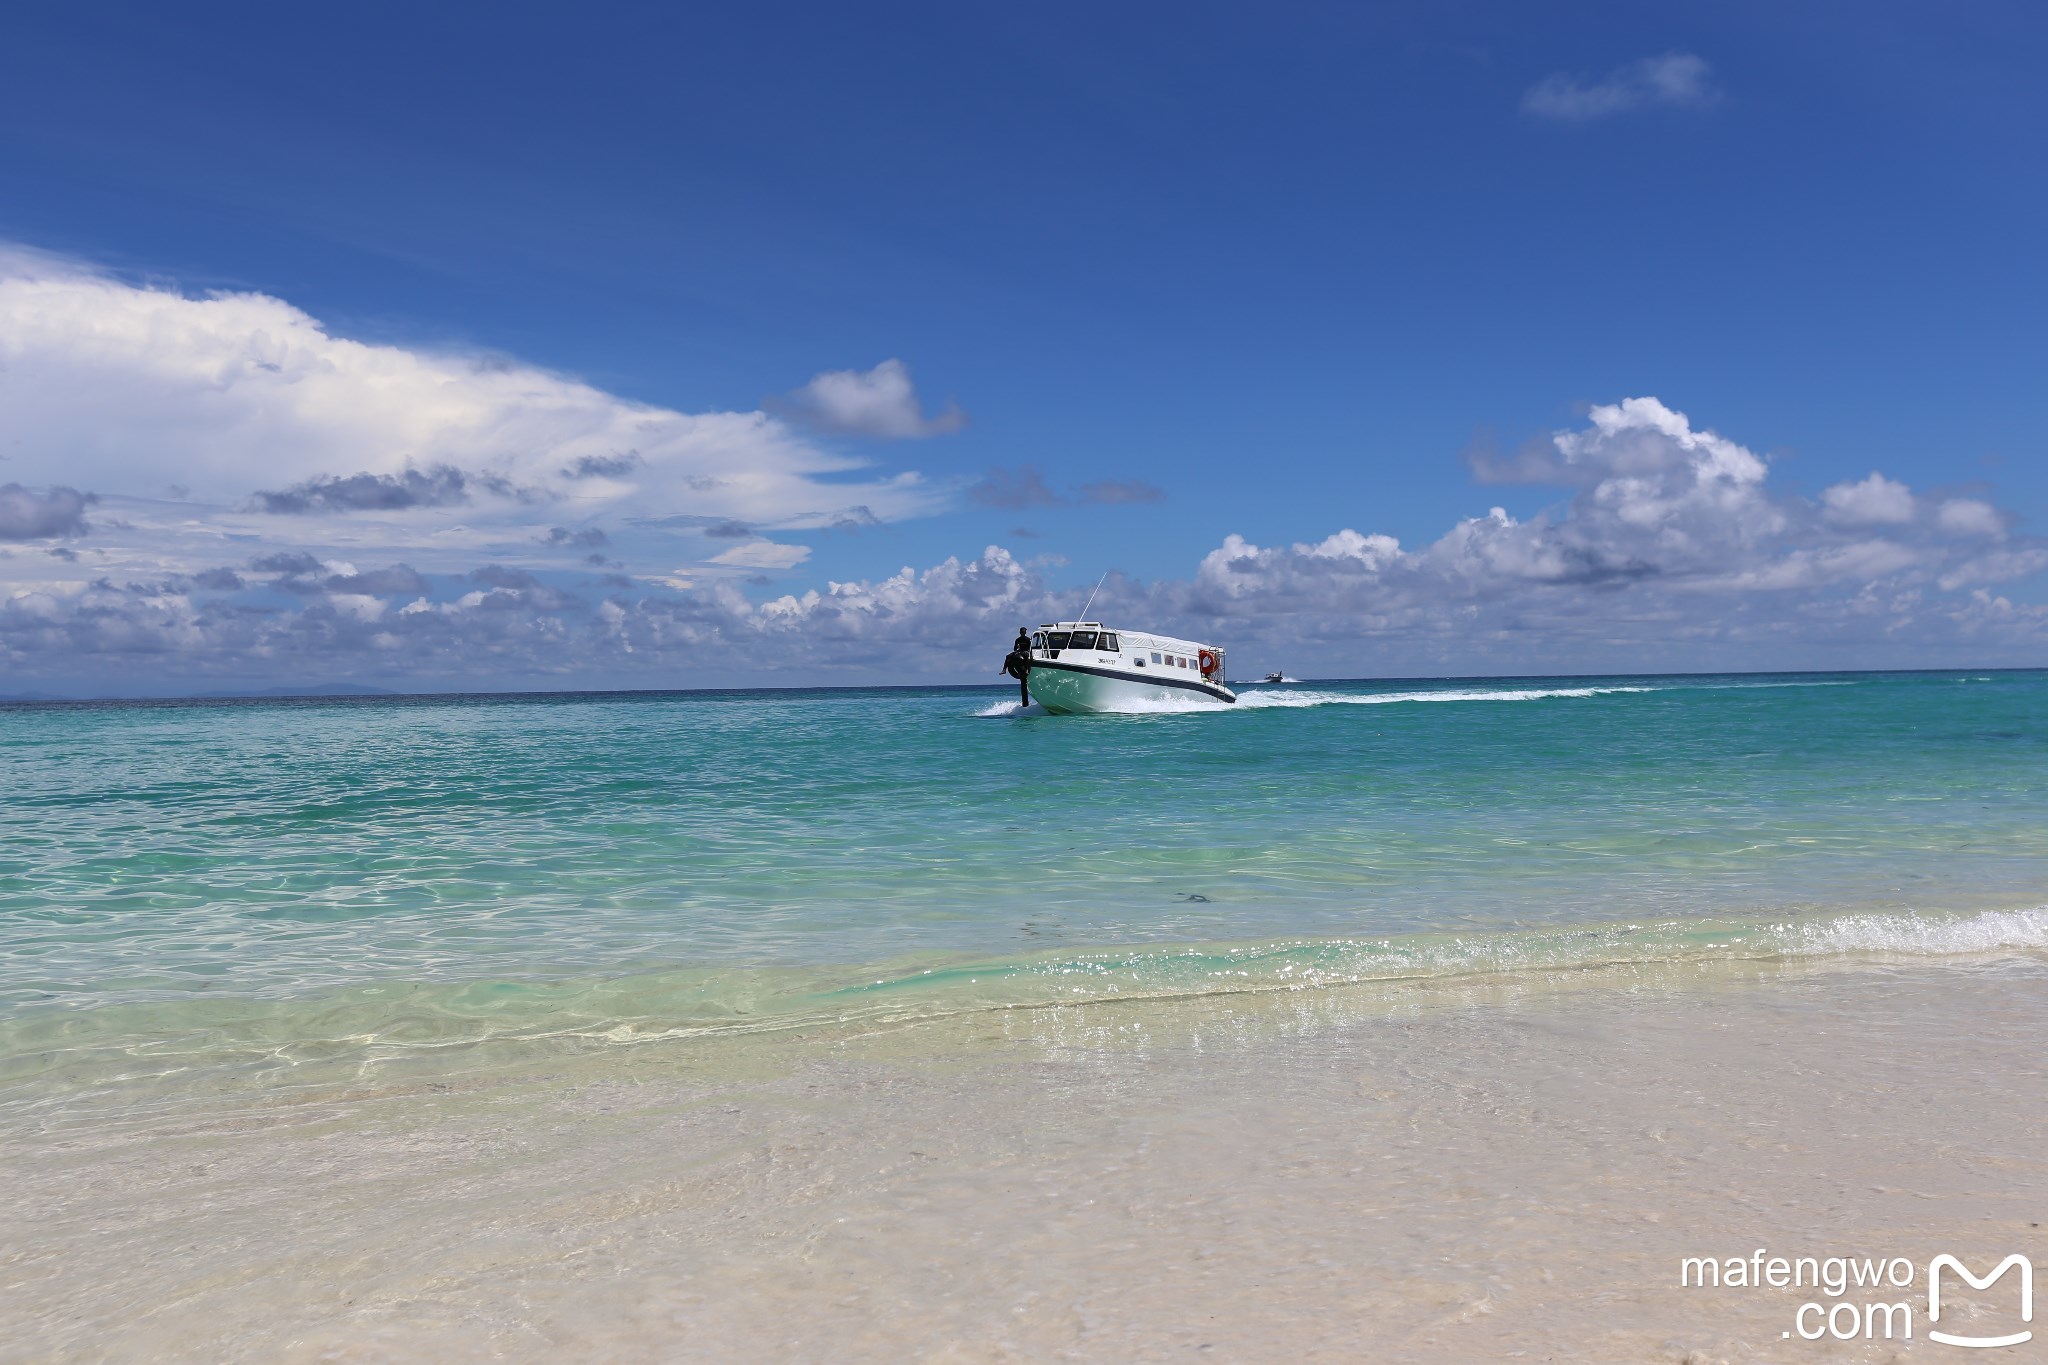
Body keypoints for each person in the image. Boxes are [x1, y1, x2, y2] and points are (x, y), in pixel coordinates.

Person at [999, 627, 1032, 706]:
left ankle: (1027, 669)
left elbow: (1030, 648)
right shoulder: (1017, 640)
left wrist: (1026, 651)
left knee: (1027, 657)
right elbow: (1014, 648)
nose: (1023, 633)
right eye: (1022, 632)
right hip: (1019, 651)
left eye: (1024, 632)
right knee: (1008, 656)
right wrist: (1016, 647)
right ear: (1020, 632)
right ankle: (1004, 669)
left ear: (1025, 632)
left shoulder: (1028, 639)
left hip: (1026, 652)